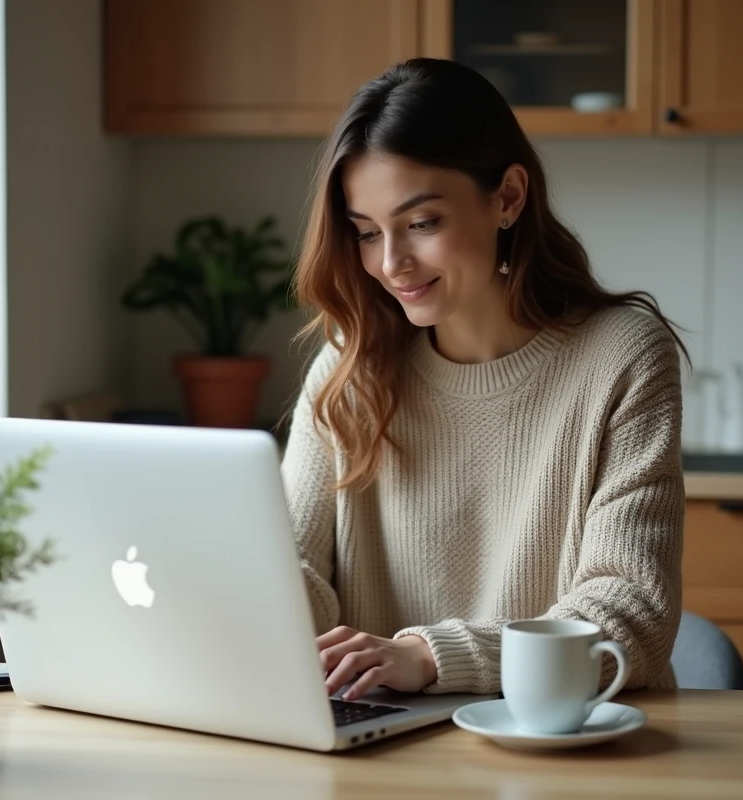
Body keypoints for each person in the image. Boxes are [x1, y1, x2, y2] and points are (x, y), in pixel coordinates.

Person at [280, 57, 688, 703]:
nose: (390, 264)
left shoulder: (621, 356)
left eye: (421, 224)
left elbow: (630, 612)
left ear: (508, 198)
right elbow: (294, 570)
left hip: (570, 743)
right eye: (365, 233)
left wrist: (427, 655)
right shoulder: (347, 369)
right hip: (394, 748)